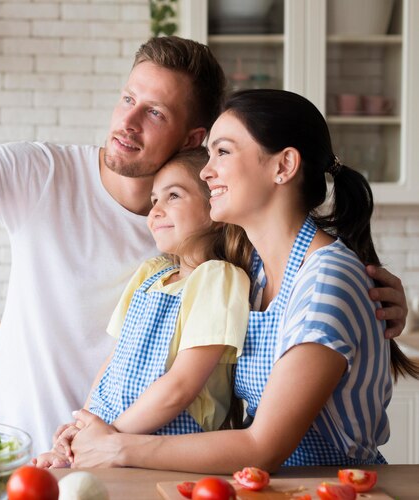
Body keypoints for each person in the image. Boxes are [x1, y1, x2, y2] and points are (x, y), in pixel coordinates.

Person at [0, 36, 409, 455]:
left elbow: (308, 281)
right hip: (21, 447)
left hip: (129, 464)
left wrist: (375, 301)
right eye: (127, 98)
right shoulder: (43, 173)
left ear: (195, 139)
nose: (127, 121)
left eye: (156, 112)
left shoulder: (220, 229)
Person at [66, 89, 419, 471]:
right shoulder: (253, 271)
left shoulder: (326, 281)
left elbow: (262, 448)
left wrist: (118, 447)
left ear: (283, 166)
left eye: (223, 151)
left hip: (331, 488)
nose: (206, 170)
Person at [34, 148, 250, 468]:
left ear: (213, 210)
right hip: (113, 438)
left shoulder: (217, 278)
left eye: (173, 196)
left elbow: (181, 387)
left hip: (167, 451)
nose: (156, 211)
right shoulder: (151, 274)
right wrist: (83, 428)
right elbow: (114, 361)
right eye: (153, 201)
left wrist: (108, 438)